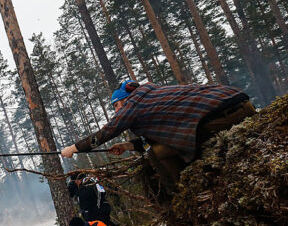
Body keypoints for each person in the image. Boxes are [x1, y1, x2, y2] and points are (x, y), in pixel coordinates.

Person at [61, 80, 255, 187]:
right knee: (155, 148)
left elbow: (107, 132)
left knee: (156, 154)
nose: (117, 111)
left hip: (225, 116)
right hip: (243, 104)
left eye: (116, 105)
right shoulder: (154, 94)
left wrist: (74, 148)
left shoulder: (133, 104)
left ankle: (181, 190)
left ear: (125, 99)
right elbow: (159, 136)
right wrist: (129, 146)